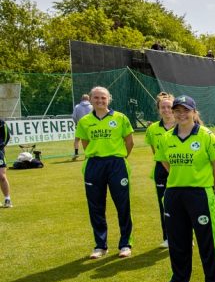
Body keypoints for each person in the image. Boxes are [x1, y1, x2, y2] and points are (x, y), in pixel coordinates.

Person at [155, 96, 215, 282]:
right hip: (174, 193)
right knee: (178, 242)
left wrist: (208, 187)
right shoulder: (167, 138)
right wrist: (180, 180)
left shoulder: (206, 136)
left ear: (194, 112)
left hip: (200, 193)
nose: (181, 114)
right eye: (177, 110)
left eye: (185, 110)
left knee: (207, 241)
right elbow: (166, 163)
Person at [75, 86, 135, 259]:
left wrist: (119, 157)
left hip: (117, 163)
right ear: (91, 100)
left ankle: (125, 244)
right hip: (94, 164)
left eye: (103, 98)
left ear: (109, 99)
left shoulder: (120, 118)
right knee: (96, 206)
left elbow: (129, 142)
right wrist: (98, 154)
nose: (100, 101)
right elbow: (85, 143)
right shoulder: (85, 121)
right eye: (96, 98)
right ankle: (100, 245)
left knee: (122, 205)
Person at [143, 92, 177, 247]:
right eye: (162, 107)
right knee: (164, 204)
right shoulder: (152, 129)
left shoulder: (182, 125)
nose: (166, 110)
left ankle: (186, 237)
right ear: (158, 109)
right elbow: (155, 151)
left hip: (181, 167)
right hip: (161, 169)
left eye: (169, 107)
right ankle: (168, 237)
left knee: (183, 203)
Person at [72, 94, 92, 159]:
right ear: (88, 99)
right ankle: (89, 153)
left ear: (81, 99)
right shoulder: (92, 107)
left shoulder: (77, 107)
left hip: (80, 125)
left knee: (77, 140)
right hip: (90, 126)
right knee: (90, 140)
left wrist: (76, 123)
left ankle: (76, 153)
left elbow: (74, 116)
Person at [0, 117, 10, 208]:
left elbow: (6, 136)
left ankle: (7, 199)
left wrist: (1, 146)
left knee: (2, 176)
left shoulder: (1, 122)